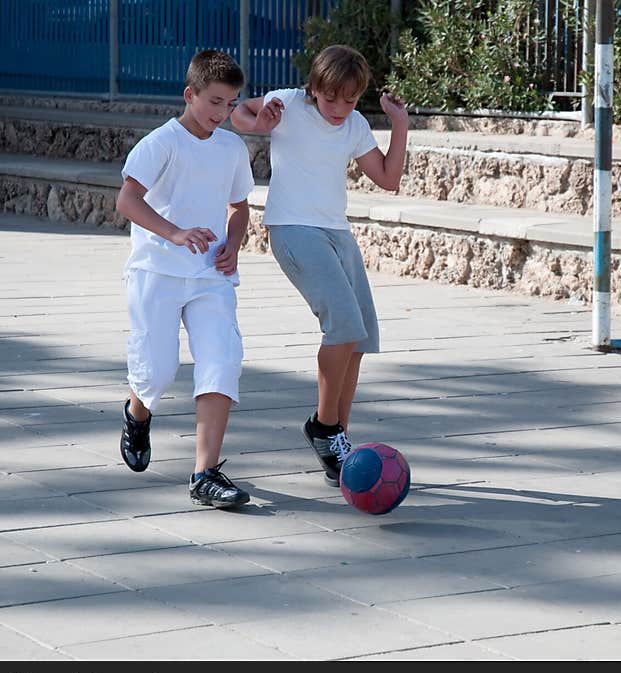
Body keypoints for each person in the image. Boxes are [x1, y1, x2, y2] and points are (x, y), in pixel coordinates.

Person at [230, 44, 408, 487]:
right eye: (331, 99)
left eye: (349, 101)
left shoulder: (356, 125)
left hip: (337, 234)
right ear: (314, 88)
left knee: (362, 334)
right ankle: (324, 428)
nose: (339, 109)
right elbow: (237, 112)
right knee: (344, 325)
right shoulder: (288, 102)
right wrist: (259, 123)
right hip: (293, 229)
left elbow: (388, 178)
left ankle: (338, 442)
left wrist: (400, 124)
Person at [116, 49, 254, 509]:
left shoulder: (232, 148)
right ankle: (138, 412)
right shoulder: (162, 143)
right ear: (190, 94)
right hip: (156, 269)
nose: (223, 113)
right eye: (215, 101)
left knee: (221, 360)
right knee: (156, 372)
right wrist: (175, 233)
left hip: (210, 274)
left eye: (232, 104)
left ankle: (205, 473)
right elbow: (128, 202)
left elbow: (239, 207)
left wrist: (233, 244)